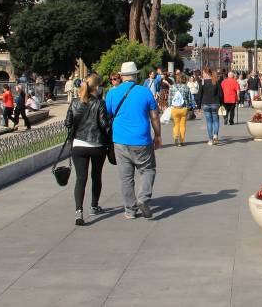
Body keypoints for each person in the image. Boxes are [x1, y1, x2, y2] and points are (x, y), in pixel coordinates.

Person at [106, 62, 161, 220]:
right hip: (141, 139)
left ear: (121, 76)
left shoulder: (112, 93)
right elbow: (154, 116)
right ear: (136, 75)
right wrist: (157, 135)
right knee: (148, 170)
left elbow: (108, 113)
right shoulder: (145, 92)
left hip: (120, 140)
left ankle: (130, 210)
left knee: (126, 177)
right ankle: (143, 198)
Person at [65, 75, 109, 226]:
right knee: (96, 176)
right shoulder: (100, 103)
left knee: (80, 178)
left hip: (78, 145)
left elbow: (67, 123)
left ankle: (78, 211)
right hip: (97, 145)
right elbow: (104, 124)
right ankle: (94, 206)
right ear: (96, 87)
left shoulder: (75, 102)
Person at [169, 73, 196, 147]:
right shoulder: (186, 87)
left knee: (176, 125)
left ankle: (176, 137)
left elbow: (169, 99)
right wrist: (189, 107)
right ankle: (181, 141)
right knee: (182, 125)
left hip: (175, 108)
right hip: (183, 109)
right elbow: (190, 99)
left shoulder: (172, 87)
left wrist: (169, 106)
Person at [199, 68, 222, 145]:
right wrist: (221, 103)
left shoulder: (202, 82)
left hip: (205, 104)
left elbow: (200, 94)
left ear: (206, 73)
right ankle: (215, 135)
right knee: (216, 120)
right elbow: (221, 94)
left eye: (203, 73)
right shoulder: (216, 81)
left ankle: (210, 140)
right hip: (215, 103)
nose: (202, 74)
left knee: (209, 122)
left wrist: (199, 106)